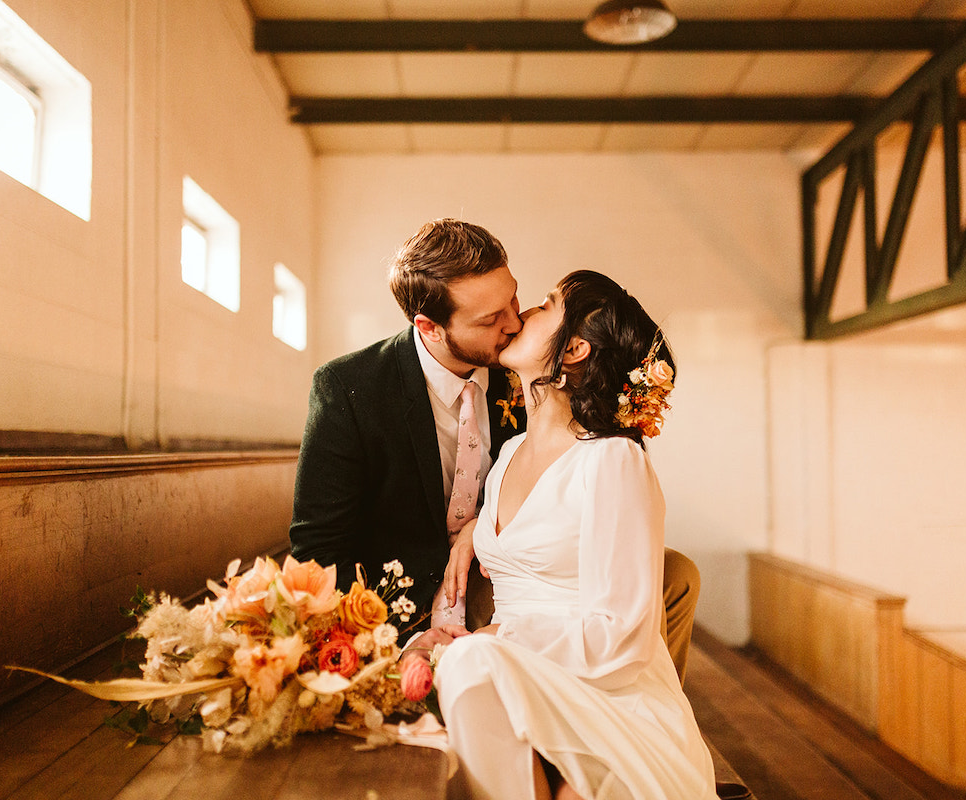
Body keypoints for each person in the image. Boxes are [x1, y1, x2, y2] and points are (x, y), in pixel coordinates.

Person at [288, 219, 700, 680]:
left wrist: (479, 527)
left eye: (514, 299)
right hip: (407, 602)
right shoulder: (350, 389)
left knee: (675, 574)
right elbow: (316, 552)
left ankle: (639, 704)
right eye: (489, 319)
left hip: (505, 577)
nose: (513, 322)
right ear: (430, 327)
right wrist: (402, 639)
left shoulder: (530, 369)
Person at [423, 270, 716, 800]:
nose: (524, 314)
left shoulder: (611, 459)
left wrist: (499, 638)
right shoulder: (508, 455)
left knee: (468, 664)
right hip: (517, 681)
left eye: (546, 305)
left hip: (607, 694)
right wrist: (473, 530)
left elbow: (623, 633)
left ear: (575, 347)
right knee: (467, 670)